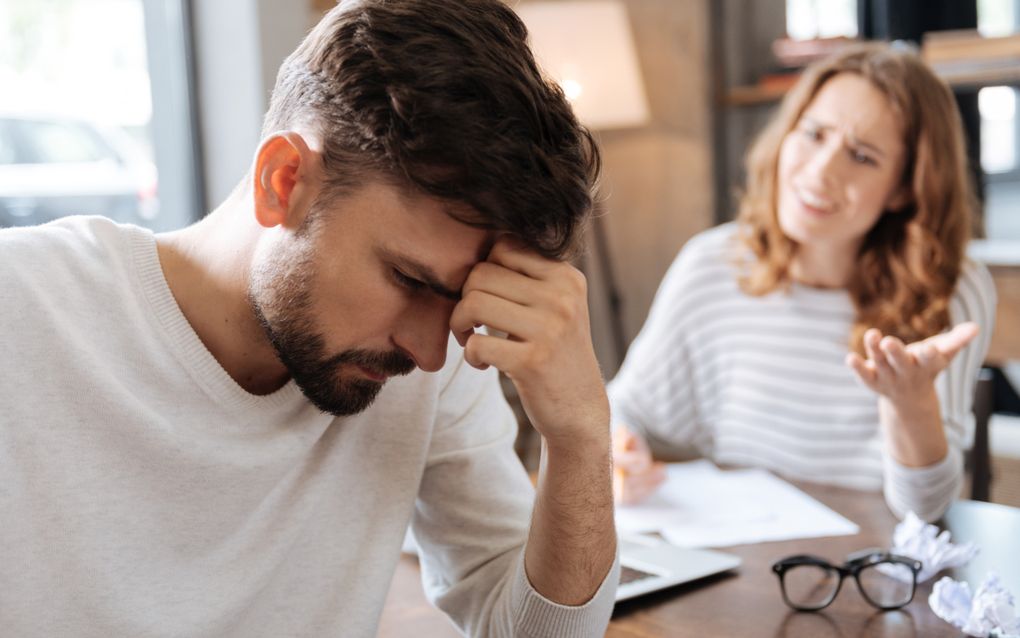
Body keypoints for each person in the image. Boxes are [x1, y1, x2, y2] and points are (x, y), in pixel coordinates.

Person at [0, 1, 619, 636]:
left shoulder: (426, 360)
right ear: (283, 180)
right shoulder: (20, 312)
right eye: (408, 279)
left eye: (456, 301)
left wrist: (579, 438)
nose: (431, 352)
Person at [609, 43, 995, 523]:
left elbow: (927, 507)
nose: (820, 171)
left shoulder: (950, 288)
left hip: (868, 569)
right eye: (814, 134)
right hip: (739, 563)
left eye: (862, 155)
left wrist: (910, 405)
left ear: (904, 188)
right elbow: (623, 408)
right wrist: (618, 453)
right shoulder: (712, 264)